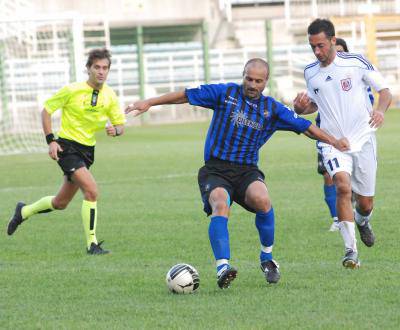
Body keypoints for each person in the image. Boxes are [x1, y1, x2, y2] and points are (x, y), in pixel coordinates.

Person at [125, 58, 349, 288]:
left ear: (265, 82)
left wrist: (334, 141)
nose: (252, 84)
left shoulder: (272, 109)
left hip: (246, 171)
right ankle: (223, 266)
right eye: (249, 79)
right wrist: (150, 102)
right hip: (215, 169)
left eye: (258, 81)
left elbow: (307, 128)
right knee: (220, 204)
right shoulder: (225, 94)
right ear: (243, 75)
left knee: (263, 200)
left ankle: (267, 258)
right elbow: (186, 94)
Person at [7, 48, 126, 255]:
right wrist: (50, 140)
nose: (101, 71)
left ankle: (23, 211)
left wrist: (114, 130)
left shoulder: (110, 95)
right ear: (88, 69)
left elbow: (120, 125)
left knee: (60, 203)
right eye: (96, 67)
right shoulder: (72, 90)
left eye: (105, 68)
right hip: (67, 147)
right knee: (91, 190)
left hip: (88, 151)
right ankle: (92, 244)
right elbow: (47, 110)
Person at [293, 19, 392, 268]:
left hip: (363, 137)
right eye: (312, 46)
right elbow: (316, 103)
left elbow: (385, 91)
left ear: (334, 41)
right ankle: (350, 251)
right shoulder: (310, 72)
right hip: (333, 142)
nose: (317, 51)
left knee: (366, 202)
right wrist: (301, 108)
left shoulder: (356, 62)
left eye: (321, 45)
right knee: (342, 186)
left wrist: (380, 110)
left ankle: (362, 221)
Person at [317, 37, 374, 232]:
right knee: (331, 178)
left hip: (357, 139)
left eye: (342, 52)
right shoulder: (318, 74)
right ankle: (337, 219)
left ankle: (360, 217)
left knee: (361, 196)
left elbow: (369, 101)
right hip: (327, 138)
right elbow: (312, 102)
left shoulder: (355, 76)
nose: (338, 55)